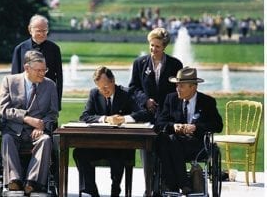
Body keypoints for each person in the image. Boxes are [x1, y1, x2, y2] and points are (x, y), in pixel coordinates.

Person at [73, 66, 151, 197]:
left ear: (113, 81)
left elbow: (144, 113)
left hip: (121, 146)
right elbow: (85, 116)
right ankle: (91, 191)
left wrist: (123, 119)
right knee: (79, 153)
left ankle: (115, 189)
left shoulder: (126, 94)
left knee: (117, 157)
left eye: (106, 87)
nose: (104, 91)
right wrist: (105, 119)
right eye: (100, 88)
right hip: (98, 144)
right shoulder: (94, 93)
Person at [128, 27, 183, 194]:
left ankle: (168, 186)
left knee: (165, 148)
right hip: (146, 115)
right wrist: (145, 100)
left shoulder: (175, 64)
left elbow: (178, 91)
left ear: (164, 47)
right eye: (151, 45)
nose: (153, 49)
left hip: (167, 116)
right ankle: (149, 188)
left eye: (157, 46)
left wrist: (166, 106)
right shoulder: (139, 63)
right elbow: (133, 87)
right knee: (147, 151)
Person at [155, 66, 223, 194]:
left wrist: (196, 127)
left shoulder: (207, 102)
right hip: (173, 142)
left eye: (181, 86)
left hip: (197, 145)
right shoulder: (171, 99)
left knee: (168, 142)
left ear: (193, 87)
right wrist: (174, 126)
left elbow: (218, 125)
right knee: (164, 139)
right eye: (177, 86)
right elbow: (159, 123)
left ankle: (173, 186)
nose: (177, 89)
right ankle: (183, 184)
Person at [0, 50, 58, 195]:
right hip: (14, 130)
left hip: (37, 132)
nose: (42, 73)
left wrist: (43, 125)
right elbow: (3, 109)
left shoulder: (50, 85)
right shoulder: (9, 81)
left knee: (45, 140)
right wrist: (26, 118)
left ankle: (32, 183)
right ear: (27, 68)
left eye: (45, 70)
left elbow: (53, 113)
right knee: (6, 139)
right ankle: (14, 181)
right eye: (38, 70)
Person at [11, 14, 63, 110]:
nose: (42, 34)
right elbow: (14, 78)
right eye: (39, 31)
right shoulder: (19, 49)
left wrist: (57, 103)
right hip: (24, 101)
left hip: (48, 99)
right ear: (30, 29)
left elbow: (59, 77)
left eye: (45, 31)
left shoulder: (54, 49)